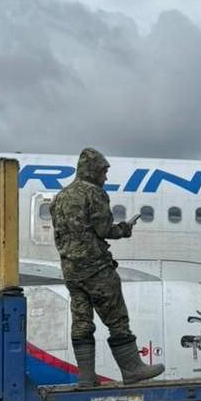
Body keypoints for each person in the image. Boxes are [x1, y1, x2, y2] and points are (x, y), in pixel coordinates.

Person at [51, 147, 165, 386]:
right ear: (93, 171)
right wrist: (124, 229)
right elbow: (104, 230)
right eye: (104, 172)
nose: (105, 177)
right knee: (117, 319)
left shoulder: (60, 196)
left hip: (71, 270)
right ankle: (132, 370)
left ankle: (86, 377)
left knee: (82, 320)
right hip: (96, 268)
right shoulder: (94, 193)